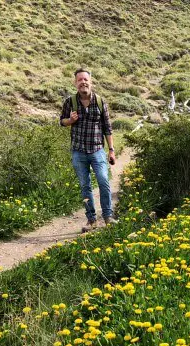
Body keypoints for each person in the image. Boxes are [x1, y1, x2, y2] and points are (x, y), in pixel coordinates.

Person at [60, 68, 117, 232]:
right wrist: (70, 120)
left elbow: (107, 127)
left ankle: (107, 217)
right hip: (78, 151)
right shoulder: (70, 102)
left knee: (103, 181)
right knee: (85, 186)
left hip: (97, 151)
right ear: (75, 83)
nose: (83, 82)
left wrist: (111, 150)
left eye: (85, 79)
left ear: (90, 82)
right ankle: (91, 220)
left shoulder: (100, 101)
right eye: (79, 80)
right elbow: (61, 122)